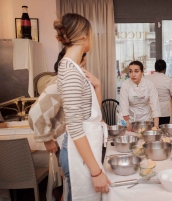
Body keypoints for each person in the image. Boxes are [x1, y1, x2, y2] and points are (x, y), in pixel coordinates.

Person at [28, 48, 102, 200]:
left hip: (78, 145)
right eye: (82, 65)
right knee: (74, 191)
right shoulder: (61, 82)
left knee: (70, 189)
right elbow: (35, 115)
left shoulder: (77, 81)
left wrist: (97, 86)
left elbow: (93, 113)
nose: (83, 70)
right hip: (69, 145)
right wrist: (47, 139)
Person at [53, 13, 110, 200]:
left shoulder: (74, 68)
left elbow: (90, 113)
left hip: (87, 147)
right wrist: (96, 172)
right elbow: (76, 127)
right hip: (79, 154)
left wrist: (98, 85)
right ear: (84, 36)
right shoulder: (70, 71)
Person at [120, 60, 161, 131]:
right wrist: (128, 124)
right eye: (130, 71)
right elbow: (124, 106)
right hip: (131, 118)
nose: (133, 74)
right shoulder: (125, 85)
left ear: (142, 72)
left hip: (146, 118)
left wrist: (156, 126)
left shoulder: (149, 84)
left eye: (136, 71)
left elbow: (155, 106)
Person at [146, 59, 172, 125]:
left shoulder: (147, 78)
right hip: (164, 112)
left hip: (150, 110)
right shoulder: (168, 80)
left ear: (155, 68)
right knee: (164, 132)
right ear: (165, 69)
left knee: (151, 131)